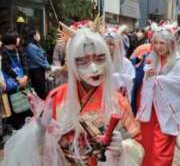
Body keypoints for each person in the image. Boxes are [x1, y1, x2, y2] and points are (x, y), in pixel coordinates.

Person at [2, 27, 144, 166]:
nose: (94, 69)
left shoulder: (118, 101)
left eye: (100, 59)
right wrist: (40, 131)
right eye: (83, 61)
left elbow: (137, 144)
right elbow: (41, 154)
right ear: (71, 63)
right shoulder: (57, 97)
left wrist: (122, 149)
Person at [136, 28, 180, 166]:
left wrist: (158, 79)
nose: (158, 47)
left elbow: (177, 82)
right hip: (149, 111)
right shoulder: (151, 59)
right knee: (147, 147)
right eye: (155, 43)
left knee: (161, 151)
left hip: (167, 112)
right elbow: (143, 83)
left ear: (170, 44)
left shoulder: (178, 62)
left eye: (162, 43)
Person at [1, 32, 31, 129]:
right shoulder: (3, 52)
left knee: (25, 101)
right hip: (12, 83)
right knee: (14, 102)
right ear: (11, 40)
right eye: (16, 37)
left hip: (23, 80)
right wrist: (18, 78)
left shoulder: (19, 50)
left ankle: (26, 121)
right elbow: (6, 67)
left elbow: (25, 63)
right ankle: (16, 125)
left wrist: (26, 76)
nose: (19, 39)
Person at [103, 27, 135, 101]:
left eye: (111, 44)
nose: (108, 47)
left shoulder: (126, 63)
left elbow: (130, 81)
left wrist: (115, 77)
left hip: (119, 99)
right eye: (105, 44)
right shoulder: (99, 61)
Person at [25, 29, 50, 99]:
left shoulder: (36, 45)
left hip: (40, 69)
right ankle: (40, 106)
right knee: (39, 89)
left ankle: (42, 104)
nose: (39, 35)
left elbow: (43, 56)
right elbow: (37, 59)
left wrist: (46, 65)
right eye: (38, 34)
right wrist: (47, 66)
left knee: (42, 88)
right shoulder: (30, 46)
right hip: (35, 70)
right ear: (34, 36)